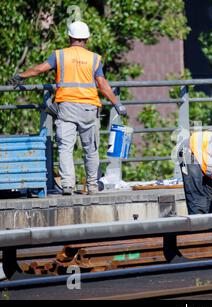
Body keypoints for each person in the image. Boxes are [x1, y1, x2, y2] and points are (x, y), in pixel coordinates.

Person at [7, 21, 126, 195]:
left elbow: (40, 69)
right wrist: (117, 103)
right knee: (90, 149)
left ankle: (68, 185)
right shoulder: (94, 58)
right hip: (89, 108)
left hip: (67, 107)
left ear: (70, 37)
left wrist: (20, 76)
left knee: (65, 148)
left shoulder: (60, 55)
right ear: (86, 38)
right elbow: (102, 83)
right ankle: (92, 186)